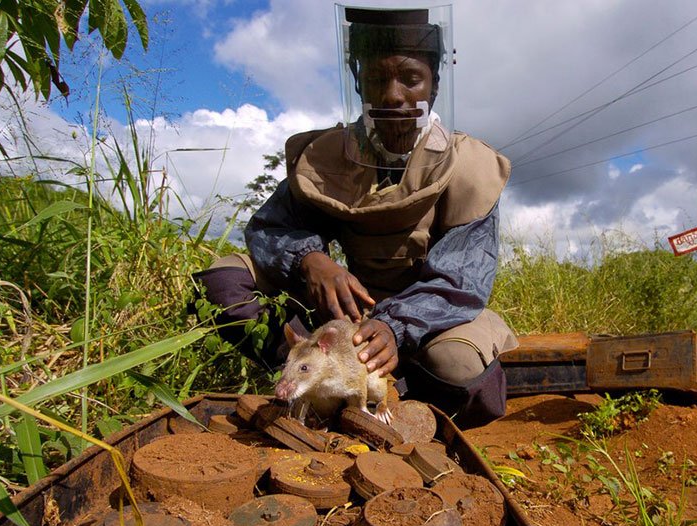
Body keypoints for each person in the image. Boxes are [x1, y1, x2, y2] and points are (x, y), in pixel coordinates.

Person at [194, 5, 517, 428]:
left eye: (411, 79)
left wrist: (394, 328)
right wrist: (309, 260)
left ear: (434, 86)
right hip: (345, 325)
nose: (393, 95)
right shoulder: (327, 158)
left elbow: (461, 282)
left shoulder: (471, 168)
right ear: (357, 80)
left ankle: (393, 392)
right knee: (221, 283)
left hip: (433, 321)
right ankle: (316, 381)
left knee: (456, 367)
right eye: (377, 79)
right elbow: (270, 228)